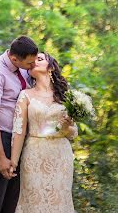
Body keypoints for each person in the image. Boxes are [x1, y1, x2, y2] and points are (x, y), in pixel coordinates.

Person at [0, 36, 39, 213]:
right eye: (29, 63)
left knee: (9, 206)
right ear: (14, 59)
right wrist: (1, 158)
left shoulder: (25, 68)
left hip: (18, 142)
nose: (32, 66)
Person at [11, 52, 78, 213]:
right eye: (32, 60)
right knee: (34, 202)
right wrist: (13, 162)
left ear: (51, 67)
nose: (34, 62)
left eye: (39, 59)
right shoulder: (25, 95)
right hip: (34, 155)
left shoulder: (66, 96)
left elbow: (73, 133)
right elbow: (19, 130)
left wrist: (66, 126)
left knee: (59, 201)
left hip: (61, 156)